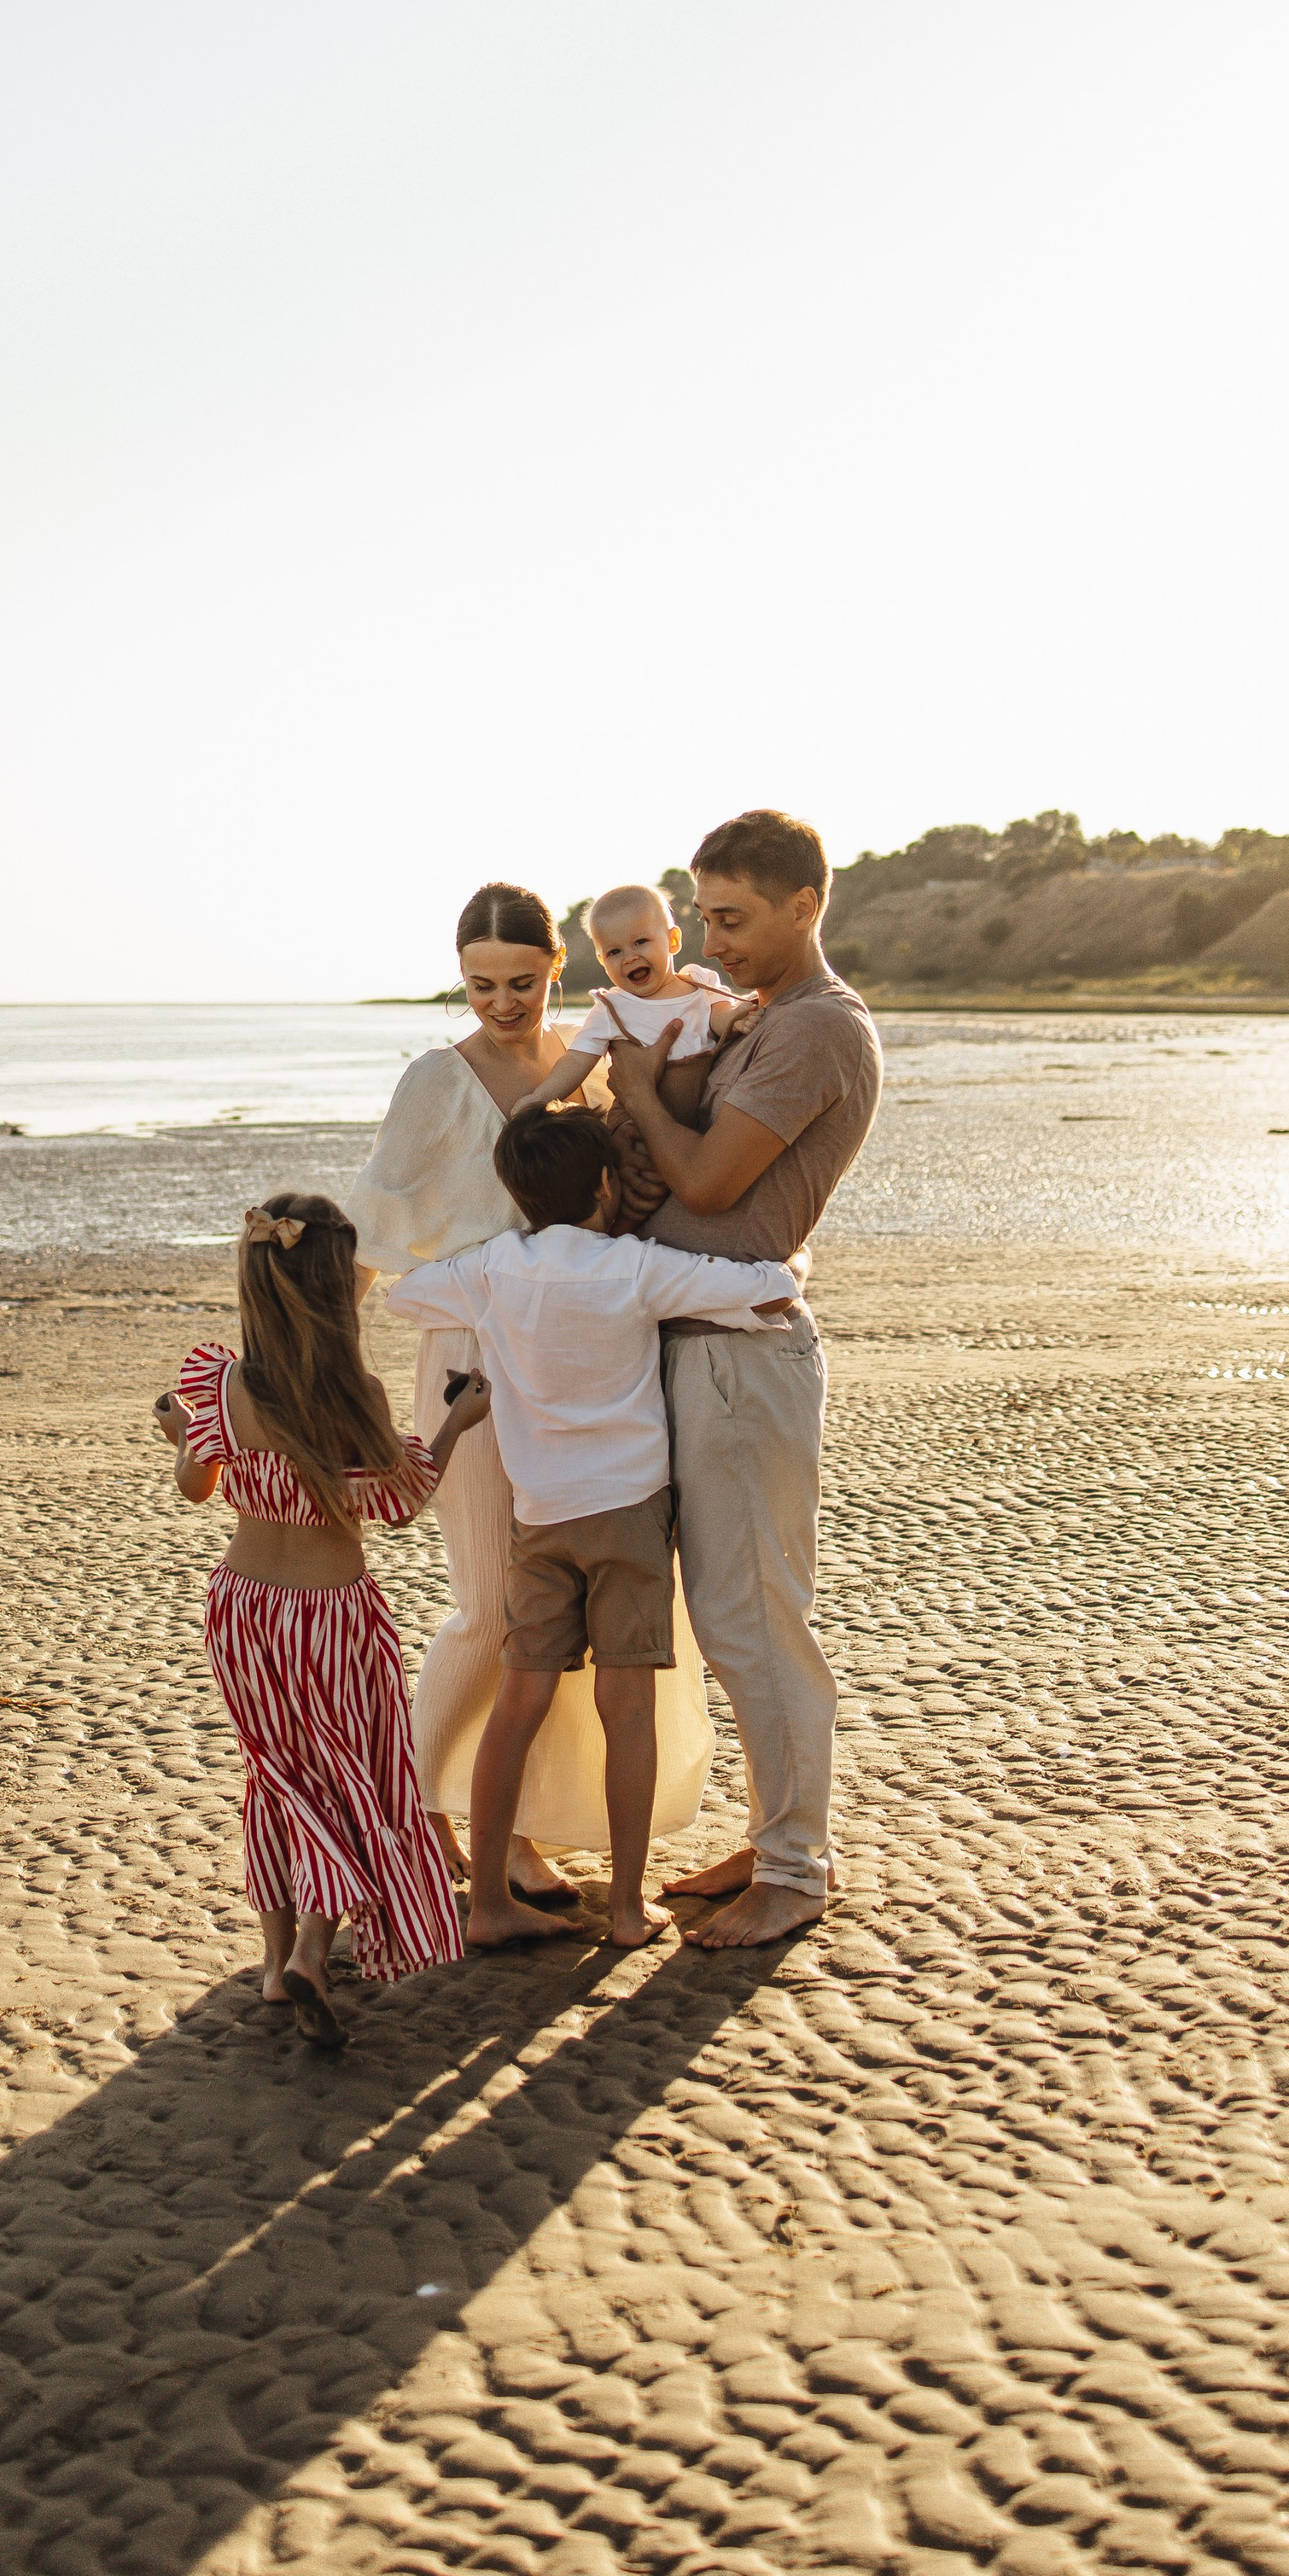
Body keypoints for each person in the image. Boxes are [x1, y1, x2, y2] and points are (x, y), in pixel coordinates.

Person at [345, 880, 716, 1894]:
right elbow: (376, 1225)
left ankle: (512, 1831)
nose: (501, 1003)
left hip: (577, 1360)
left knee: (555, 1628)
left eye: (520, 981)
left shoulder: (584, 1065)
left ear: (559, 967)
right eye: (477, 985)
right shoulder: (436, 1075)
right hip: (471, 1353)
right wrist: (324, 1362)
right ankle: (405, 1819)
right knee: (491, 1611)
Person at [385, 1106, 799, 1954]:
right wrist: (788, 1264)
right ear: (608, 1185)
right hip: (630, 1516)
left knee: (519, 1701)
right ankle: (623, 1908)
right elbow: (761, 1289)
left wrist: (480, 1275)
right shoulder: (634, 1268)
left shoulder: (495, 1269)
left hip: (540, 1517)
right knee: (628, 1707)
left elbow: (405, 1295)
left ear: (516, 1194)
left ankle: (490, 1898)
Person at [603, 809, 883, 1949]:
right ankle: (777, 1833)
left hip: (742, 1361)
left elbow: (715, 1186)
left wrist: (629, 1097)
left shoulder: (820, 1029)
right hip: (702, 1346)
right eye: (703, 915)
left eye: (733, 918)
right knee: (729, 1618)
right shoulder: (760, 1016)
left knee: (757, 1618)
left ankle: (797, 1869)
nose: (710, 940)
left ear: (805, 905)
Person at [154, 1193, 482, 2049]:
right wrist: (456, 1425)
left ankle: (275, 1967)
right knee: (350, 1777)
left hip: (244, 1610)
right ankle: (310, 1943)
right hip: (333, 1618)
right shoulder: (355, 1394)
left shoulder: (224, 1387)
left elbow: (197, 1489)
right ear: (342, 1291)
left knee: (280, 1776)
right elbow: (400, 1501)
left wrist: (183, 1434)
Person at [512, 883, 743, 1115]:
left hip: (708, 1109)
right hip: (640, 1122)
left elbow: (721, 1014)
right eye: (614, 952)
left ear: (672, 940)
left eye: (640, 942)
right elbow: (576, 1061)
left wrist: (738, 1018)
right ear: (602, 961)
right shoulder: (612, 1009)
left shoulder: (698, 981)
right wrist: (540, 1098)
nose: (630, 958)